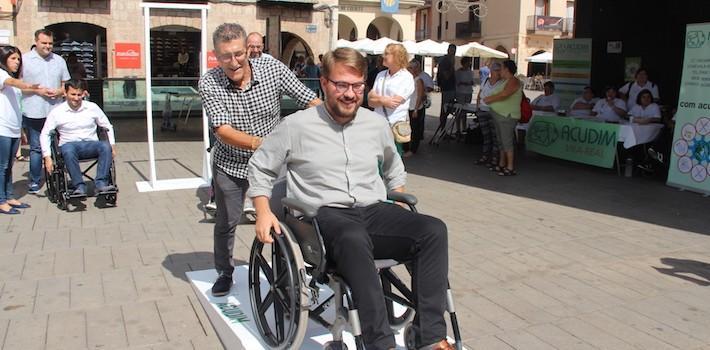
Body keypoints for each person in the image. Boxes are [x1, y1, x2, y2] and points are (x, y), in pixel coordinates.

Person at [247, 47, 453, 350]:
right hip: (323, 217)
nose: (350, 94)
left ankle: (430, 338)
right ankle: (379, 343)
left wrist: (395, 201)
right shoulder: (296, 126)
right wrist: (263, 211)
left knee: (433, 230)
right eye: (341, 85)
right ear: (325, 83)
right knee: (353, 237)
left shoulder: (375, 124)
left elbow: (394, 167)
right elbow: (261, 168)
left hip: (372, 210)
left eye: (357, 86)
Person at [198, 23, 320, 297]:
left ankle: (284, 273)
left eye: (239, 53)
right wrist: (261, 144)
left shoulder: (273, 69)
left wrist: (336, 120)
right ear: (216, 56)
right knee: (227, 222)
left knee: (280, 220)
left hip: (273, 167)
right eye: (225, 56)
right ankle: (224, 272)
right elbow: (222, 130)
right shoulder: (209, 81)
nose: (233, 61)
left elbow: (307, 98)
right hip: (231, 165)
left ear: (247, 50)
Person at [40, 79, 116, 196]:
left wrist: (112, 145)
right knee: (68, 150)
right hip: (70, 146)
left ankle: (101, 183)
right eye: (73, 94)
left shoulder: (92, 107)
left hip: (91, 144)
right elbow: (45, 133)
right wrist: (47, 156)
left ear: (84, 94)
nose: (76, 98)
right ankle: (79, 186)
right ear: (65, 93)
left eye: (79, 95)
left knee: (105, 146)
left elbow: (107, 126)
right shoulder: (57, 112)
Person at [22, 28, 71, 195]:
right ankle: (35, 180)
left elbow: (67, 84)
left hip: (56, 110)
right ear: (36, 41)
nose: (48, 46)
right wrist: (37, 91)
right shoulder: (24, 60)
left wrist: (60, 91)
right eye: (44, 43)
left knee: (59, 145)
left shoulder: (59, 61)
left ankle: (60, 175)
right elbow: (18, 86)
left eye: (50, 43)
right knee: (36, 148)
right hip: (34, 111)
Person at [0, 45, 42, 214]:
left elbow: (18, 101)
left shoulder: (10, 77)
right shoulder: (2, 75)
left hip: (13, 128)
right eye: (13, 59)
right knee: (2, 166)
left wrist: (41, 90)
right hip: (2, 129)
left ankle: (9, 196)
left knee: (9, 165)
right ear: (3, 60)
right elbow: (13, 82)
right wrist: (28, 84)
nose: (17, 62)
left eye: (18, 59)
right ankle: (1, 200)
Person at [368, 43, 414, 156]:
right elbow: (370, 101)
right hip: (377, 125)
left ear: (397, 57)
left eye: (387, 54)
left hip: (394, 127)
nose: (383, 56)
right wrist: (383, 101)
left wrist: (377, 99)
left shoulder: (406, 77)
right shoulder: (381, 75)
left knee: (393, 162)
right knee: (376, 160)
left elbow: (394, 103)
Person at [483, 59, 522, 176]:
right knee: (501, 141)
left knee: (507, 141)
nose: (500, 70)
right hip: (499, 115)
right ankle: (501, 163)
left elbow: (505, 94)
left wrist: (489, 99)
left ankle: (510, 167)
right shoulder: (504, 81)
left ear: (507, 69)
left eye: (502, 68)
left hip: (507, 115)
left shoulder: (514, 81)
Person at [475, 62, 503, 166]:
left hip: (493, 112)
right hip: (482, 110)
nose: (498, 72)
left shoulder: (501, 83)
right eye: (496, 70)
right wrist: (478, 108)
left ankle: (494, 158)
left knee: (495, 136)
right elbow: (479, 94)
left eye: (499, 70)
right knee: (486, 136)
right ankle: (485, 156)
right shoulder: (486, 81)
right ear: (491, 71)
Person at [404, 59, 426, 157]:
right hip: (407, 108)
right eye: (408, 68)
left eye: (410, 68)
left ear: (415, 69)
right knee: (405, 128)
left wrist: (416, 109)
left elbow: (420, 96)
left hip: (414, 108)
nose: (409, 70)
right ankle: (405, 148)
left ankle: (413, 149)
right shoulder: (408, 80)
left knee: (414, 129)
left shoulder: (418, 80)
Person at [436, 44, 457, 131]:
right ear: (448, 50)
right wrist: (452, 67)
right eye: (452, 51)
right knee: (445, 109)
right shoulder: (445, 61)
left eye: (454, 51)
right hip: (447, 88)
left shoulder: (448, 60)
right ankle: (442, 129)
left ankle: (443, 129)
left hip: (450, 88)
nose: (453, 53)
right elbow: (446, 76)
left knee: (448, 109)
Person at [454, 57, 475, 134]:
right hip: (460, 92)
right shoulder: (458, 72)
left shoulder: (470, 71)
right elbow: (456, 82)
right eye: (468, 62)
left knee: (465, 110)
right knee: (459, 110)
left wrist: (470, 83)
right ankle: (458, 128)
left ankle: (464, 127)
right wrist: (463, 83)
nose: (469, 64)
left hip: (468, 92)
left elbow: (473, 81)